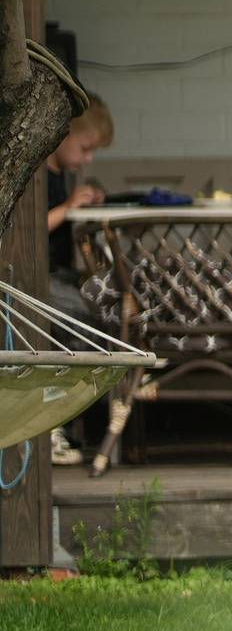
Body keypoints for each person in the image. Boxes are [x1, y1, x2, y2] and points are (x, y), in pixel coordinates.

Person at [42, 95, 112, 467]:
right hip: (38, 277)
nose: (88, 159)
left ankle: (77, 421)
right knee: (77, 319)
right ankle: (51, 422)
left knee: (104, 315)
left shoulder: (61, 175)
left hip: (62, 273)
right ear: (62, 134)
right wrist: (68, 207)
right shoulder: (36, 170)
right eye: (85, 148)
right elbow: (26, 228)